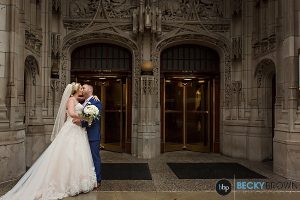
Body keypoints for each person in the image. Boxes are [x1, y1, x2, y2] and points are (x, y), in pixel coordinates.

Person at [0, 83, 97, 200]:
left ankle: (79, 182)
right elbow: (71, 113)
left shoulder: (76, 99)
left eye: (83, 87)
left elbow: (86, 100)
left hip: (78, 130)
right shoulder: (71, 100)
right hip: (72, 129)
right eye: (81, 88)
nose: (82, 89)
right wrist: (85, 117)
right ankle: (67, 183)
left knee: (78, 155)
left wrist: (94, 98)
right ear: (76, 90)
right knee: (69, 155)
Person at [74, 84, 102, 186]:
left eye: (84, 88)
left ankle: (98, 180)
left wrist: (81, 123)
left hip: (92, 135)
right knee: (85, 159)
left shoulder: (96, 101)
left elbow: (94, 118)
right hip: (82, 135)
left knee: (94, 157)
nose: (82, 89)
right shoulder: (84, 101)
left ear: (90, 90)